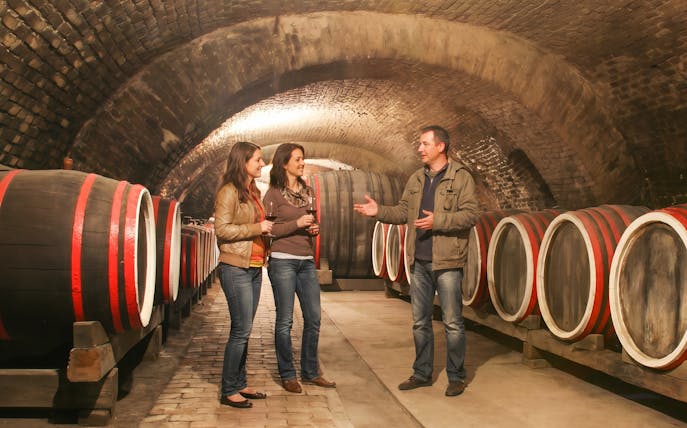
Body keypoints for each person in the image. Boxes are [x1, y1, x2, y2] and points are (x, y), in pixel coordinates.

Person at [354, 125, 479, 397]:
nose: (419, 149)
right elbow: (402, 212)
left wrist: (439, 220)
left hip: (447, 262)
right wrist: (379, 211)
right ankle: (422, 373)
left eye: (424, 144)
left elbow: (471, 215)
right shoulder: (416, 178)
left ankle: (456, 376)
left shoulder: (460, 177)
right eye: (420, 144)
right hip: (419, 262)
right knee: (420, 322)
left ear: (440, 146)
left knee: (453, 322)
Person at [263, 143, 336, 393]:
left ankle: (311, 371)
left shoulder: (307, 192)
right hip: (282, 260)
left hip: (305, 261)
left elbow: (309, 224)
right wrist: (296, 222)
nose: (302, 163)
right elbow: (270, 231)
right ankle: (287, 374)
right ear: (284, 163)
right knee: (285, 321)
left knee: (314, 318)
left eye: (302, 159)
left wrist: (313, 229)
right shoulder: (272, 194)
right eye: (297, 159)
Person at [214, 141, 273, 408]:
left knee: (245, 330)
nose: (262, 164)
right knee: (240, 330)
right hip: (235, 266)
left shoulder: (253, 192)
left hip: (253, 266)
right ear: (244, 162)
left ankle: (239, 383)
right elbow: (222, 230)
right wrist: (257, 227)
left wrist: (264, 231)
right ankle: (229, 389)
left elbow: (254, 226)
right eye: (258, 159)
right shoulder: (229, 191)